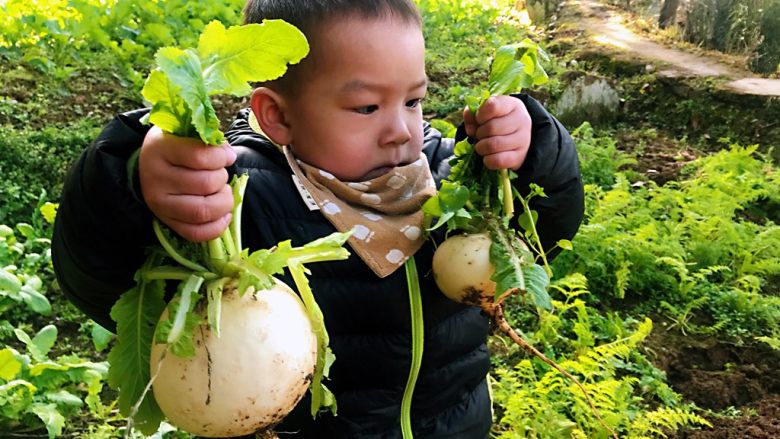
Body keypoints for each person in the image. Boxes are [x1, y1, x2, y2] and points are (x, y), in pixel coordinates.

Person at [52, 0, 584, 437]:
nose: (400, 129)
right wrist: (126, 184)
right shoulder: (238, 198)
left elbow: (544, 235)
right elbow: (98, 279)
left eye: (414, 100)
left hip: (453, 422)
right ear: (278, 116)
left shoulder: (449, 181)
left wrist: (532, 151)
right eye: (367, 109)